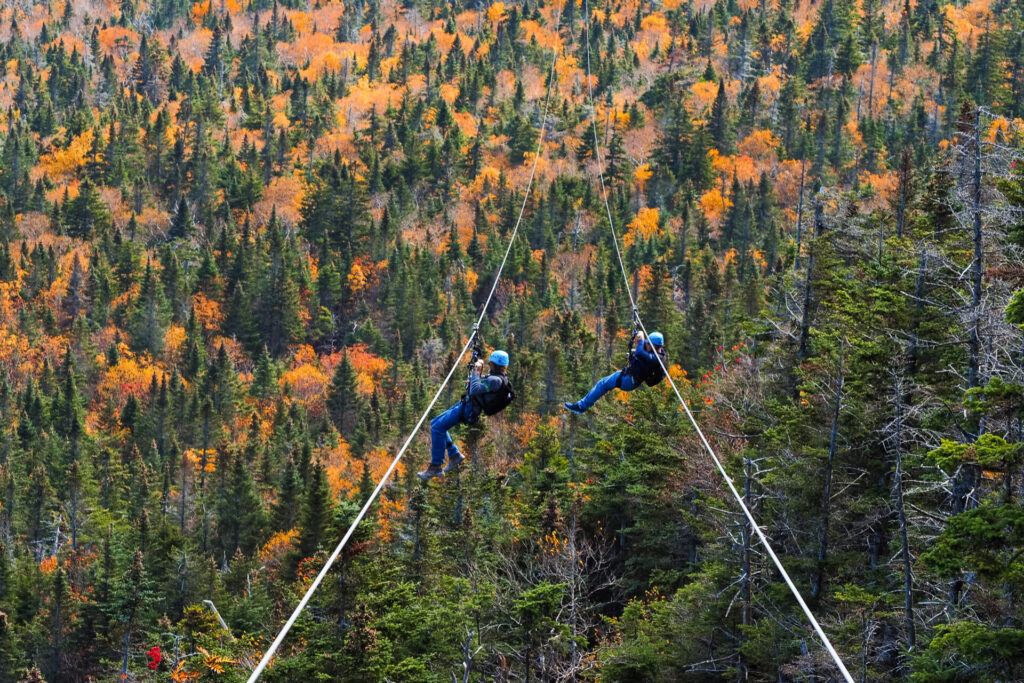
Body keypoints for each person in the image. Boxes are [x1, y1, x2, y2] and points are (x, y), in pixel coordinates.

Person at [418, 350, 515, 480]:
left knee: (438, 428)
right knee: (435, 423)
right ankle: (454, 455)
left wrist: (477, 370)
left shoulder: (496, 381)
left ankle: (436, 466)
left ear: (494, 364)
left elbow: (475, 390)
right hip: (466, 405)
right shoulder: (497, 379)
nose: (489, 365)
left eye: (490, 363)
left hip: (469, 410)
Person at [564, 331, 666, 414]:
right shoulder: (654, 351)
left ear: (654, 346)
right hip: (628, 376)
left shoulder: (657, 358)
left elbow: (640, 352)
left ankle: (581, 406)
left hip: (629, 381)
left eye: (648, 344)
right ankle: (582, 405)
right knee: (603, 383)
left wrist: (641, 338)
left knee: (602, 384)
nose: (645, 345)